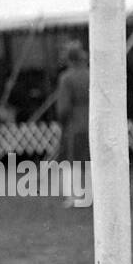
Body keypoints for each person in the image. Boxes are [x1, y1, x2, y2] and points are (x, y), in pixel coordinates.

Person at [55, 42, 90, 208]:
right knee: (89, 160)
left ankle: (74, 196)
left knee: (71, 160)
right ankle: (90, 193)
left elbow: (63, 107)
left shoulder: (66, 78)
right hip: (91, 122)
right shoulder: (91, 75)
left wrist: (63, 121)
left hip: (74, 123)